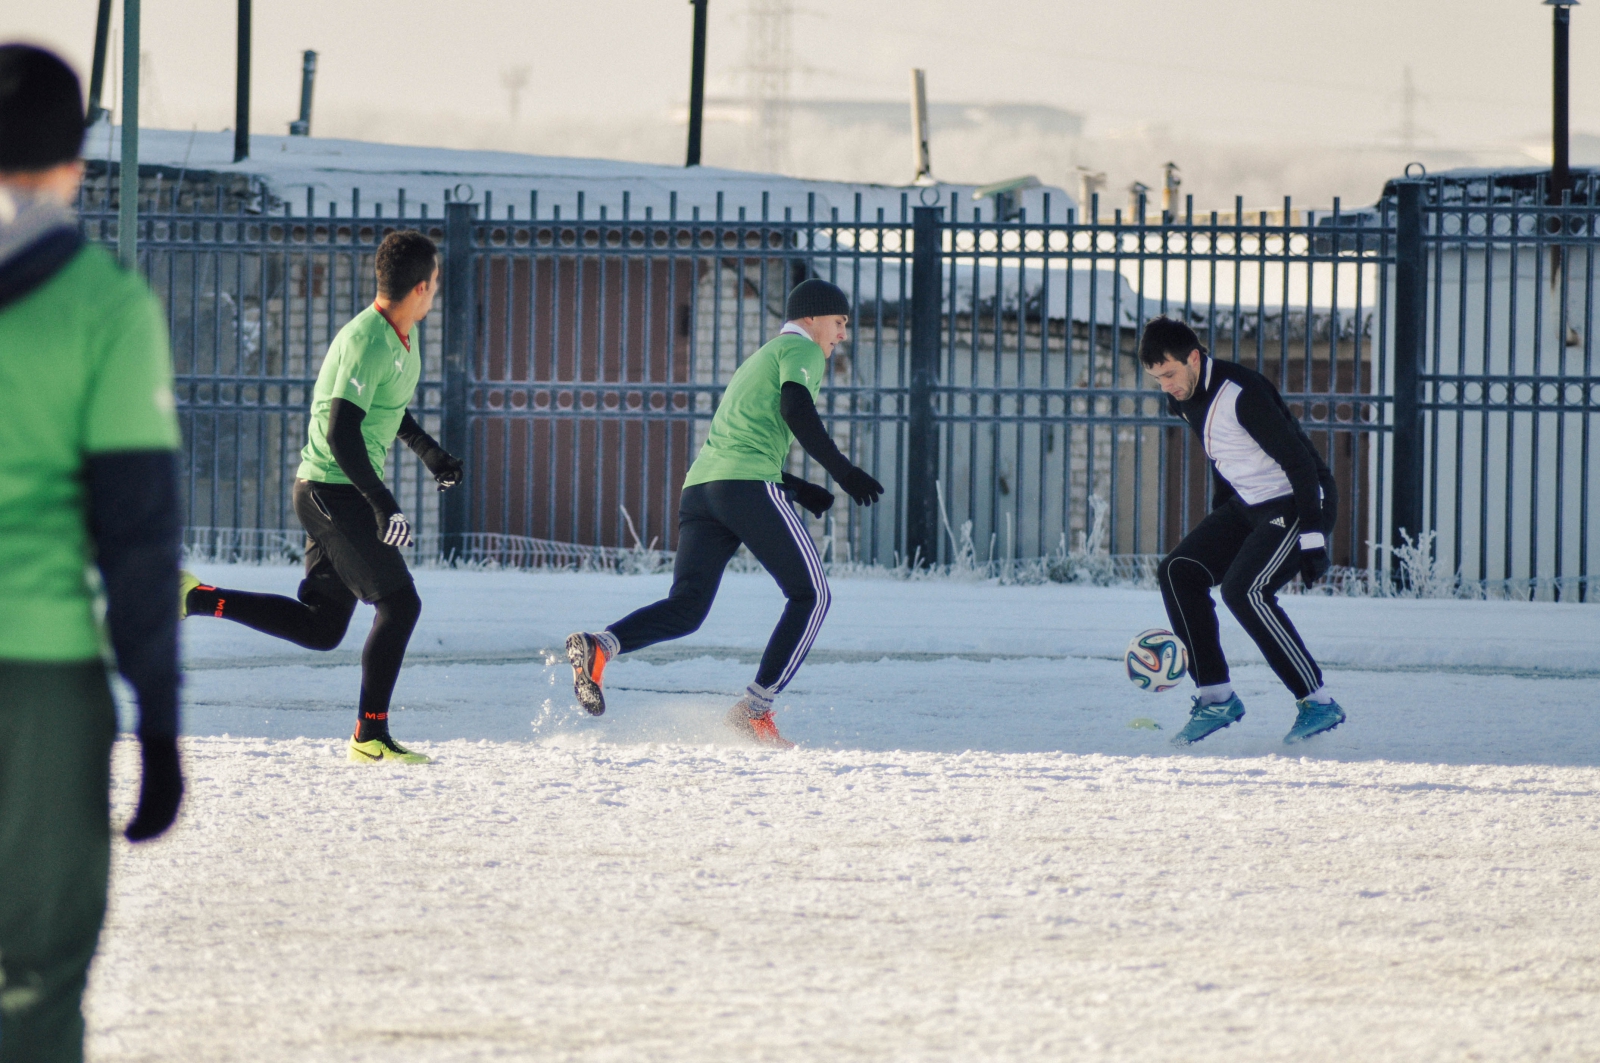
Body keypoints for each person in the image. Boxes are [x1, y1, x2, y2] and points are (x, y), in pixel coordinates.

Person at [0, 44, 184, 1062]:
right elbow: (137, 535)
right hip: (38, 679)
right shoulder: (105, 306)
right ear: (76, 159)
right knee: (35, 973)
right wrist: (158, 721)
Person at [180, 230, 462, 764]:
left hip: (340, 489)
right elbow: (341, 432)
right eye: (437, 282)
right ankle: (369, 734)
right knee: (400, 604)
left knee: (321, 627)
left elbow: (389, 407)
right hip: (330, 489)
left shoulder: (403, 336)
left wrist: (431, 455)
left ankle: (195, 598)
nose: (437, 291)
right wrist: (382, 502)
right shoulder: (365, 339)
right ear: (422, 288)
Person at [565, 279, 882, 748]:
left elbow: (740, 441)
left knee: (686, 608)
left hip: (703, 490)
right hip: (746, 486)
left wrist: (796, 489)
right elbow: (798, 410)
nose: (842, 335)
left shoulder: (758, 359)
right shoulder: (801, 349)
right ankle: (755, 711)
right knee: (812, 595)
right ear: (812, 318)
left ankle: (601, 646)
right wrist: (844, 472)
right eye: (838, 324)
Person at [1139, 317, 1347, 746]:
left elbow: (1301, 465)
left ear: (1193, 358)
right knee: (1179, 571)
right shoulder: (1182, 400)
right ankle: (1216, 697)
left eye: (1171, 374)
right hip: (1248, 504)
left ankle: (1318, 701)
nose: (1166, 386)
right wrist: (1222, 523)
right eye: (1157, 379)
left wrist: (1312, 538)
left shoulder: (1241, 393)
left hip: (1298, 500)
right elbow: (1223, 455)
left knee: (1244, 591)